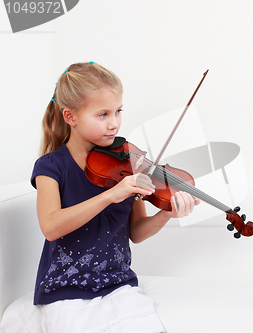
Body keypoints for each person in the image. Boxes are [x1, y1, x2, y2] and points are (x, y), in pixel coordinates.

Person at [30, 61, 199, 333]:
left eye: (118, 112)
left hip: (118, 284)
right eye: (102, 114)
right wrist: (111, 195)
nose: (114, 124)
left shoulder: (127, 164)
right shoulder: (51, 167)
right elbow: (51, 227)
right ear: (70, 117)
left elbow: (136, 232)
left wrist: (167, 213)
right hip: (65, 288)